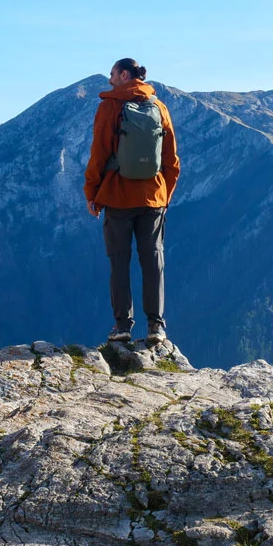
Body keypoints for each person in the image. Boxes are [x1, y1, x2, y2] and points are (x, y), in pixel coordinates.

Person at [84, 58, 180, 345]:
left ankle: (123, 326)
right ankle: (156, 326)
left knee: (119, 262)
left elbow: (99, 154)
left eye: (112, 75)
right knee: (153, 260)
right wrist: (164, 195)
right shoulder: (159, 107)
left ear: (124, 74)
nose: (110, 80)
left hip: (117, 196)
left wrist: (92, 193)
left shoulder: (109, 107)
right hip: (153, 197)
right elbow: (171, 160)